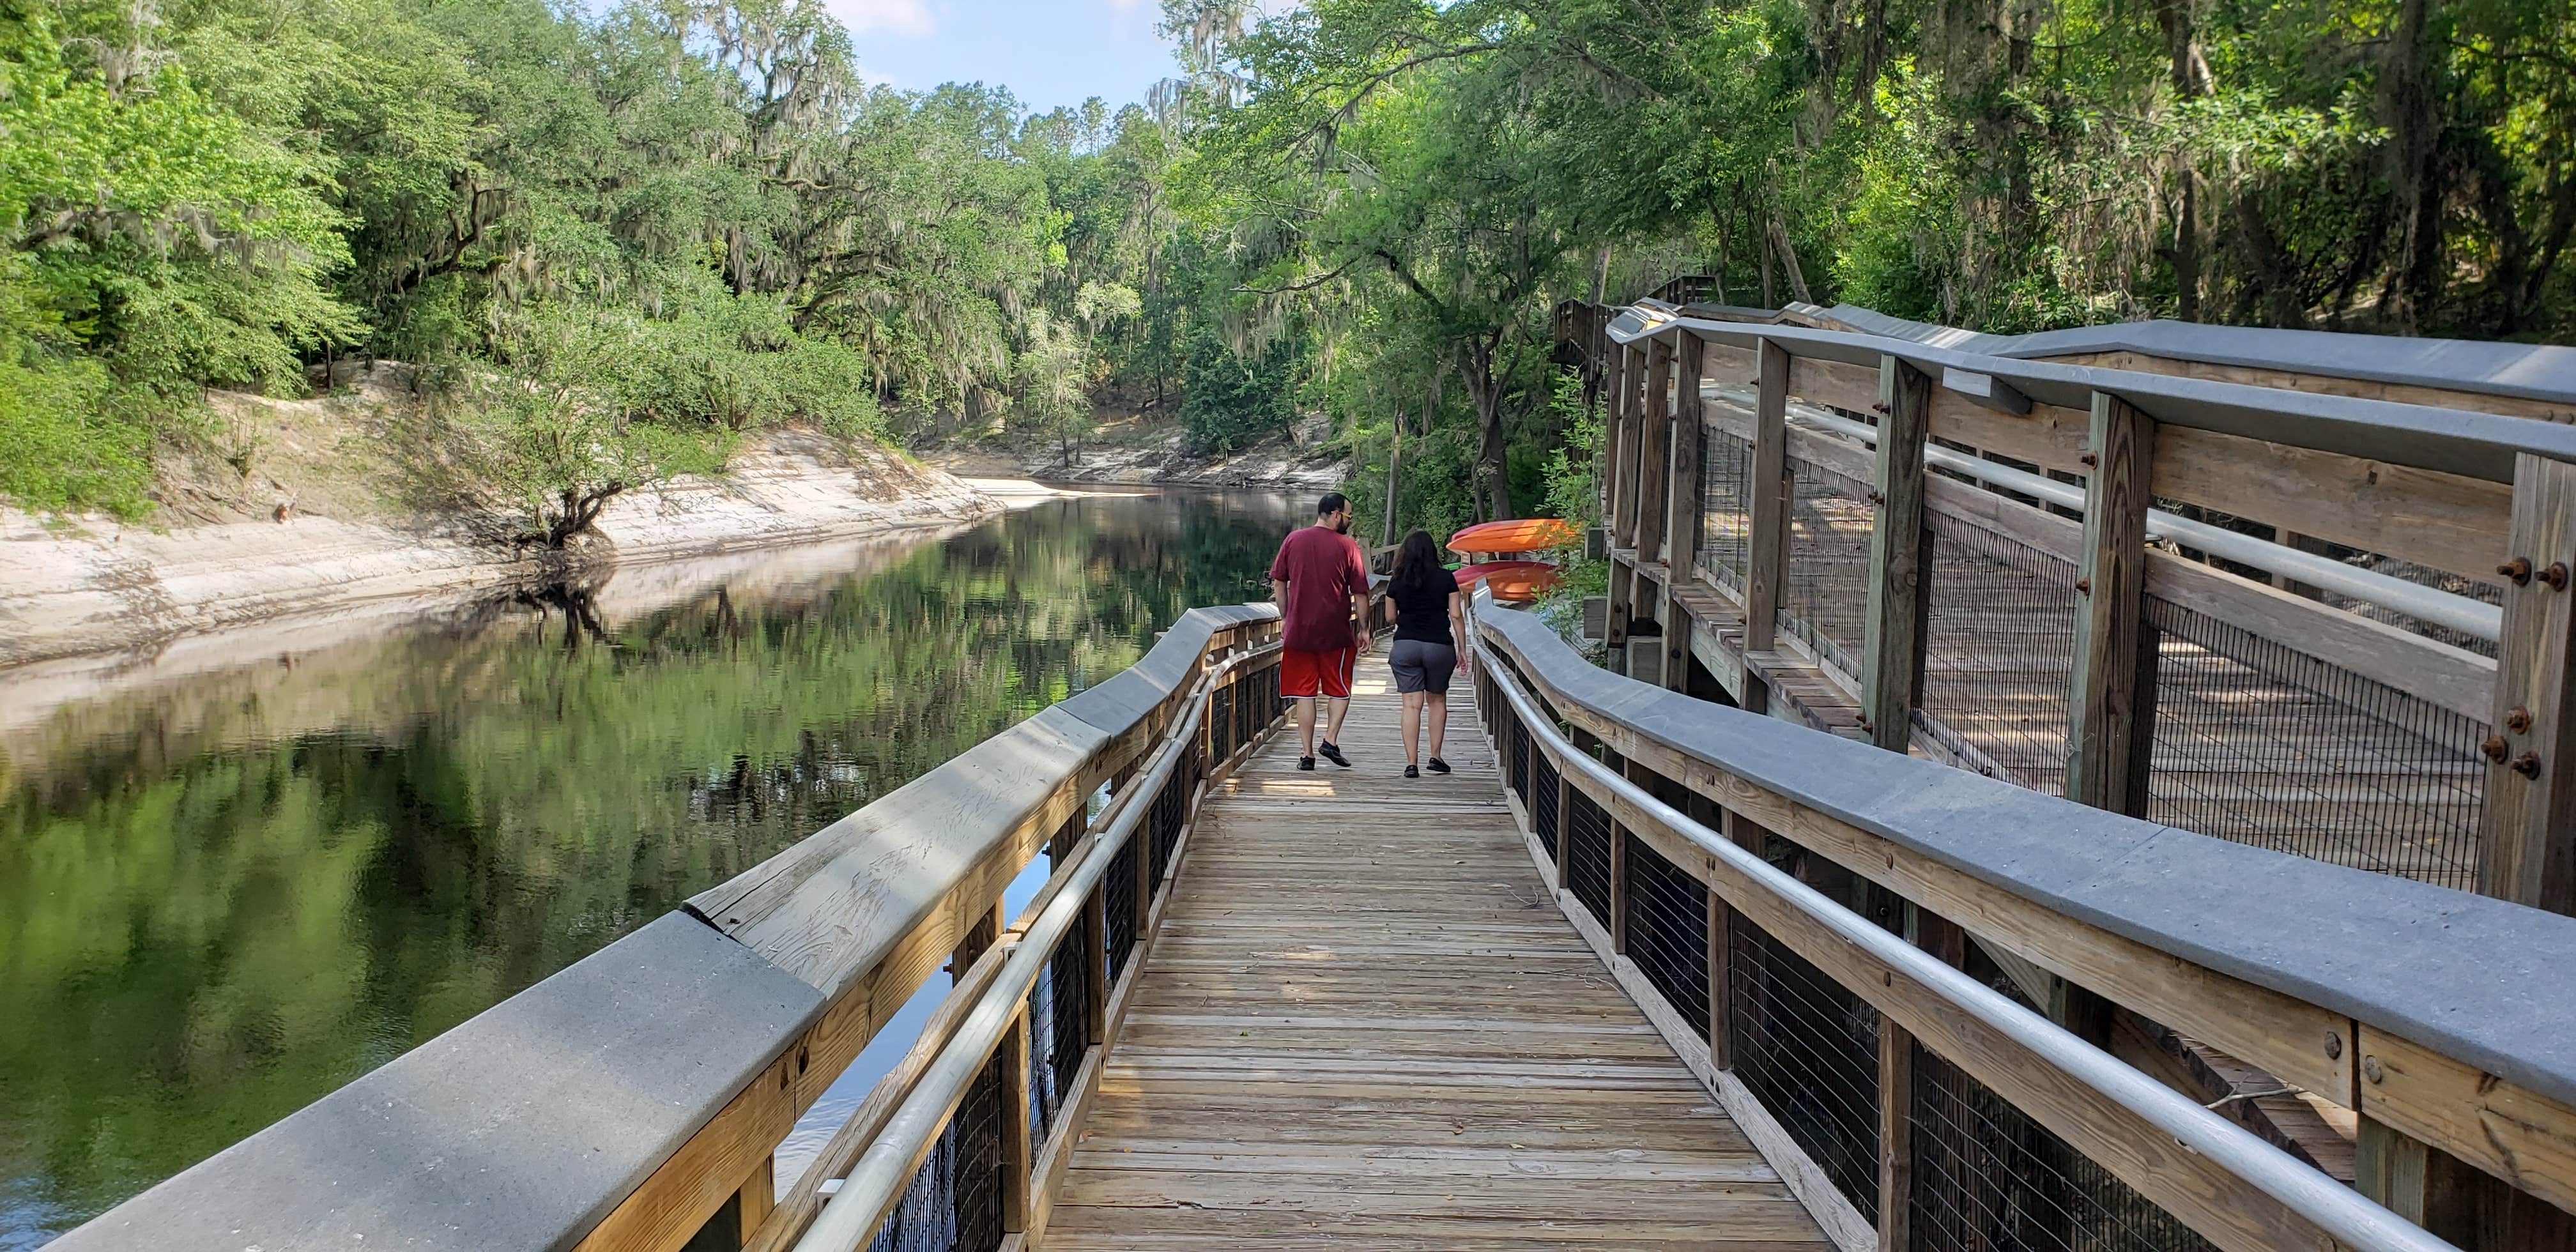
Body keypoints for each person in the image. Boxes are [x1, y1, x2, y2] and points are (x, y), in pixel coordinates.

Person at [1268, 492, 1371, 770]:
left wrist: (1286, 617)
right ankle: (1330, 740)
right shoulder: (1348, 546)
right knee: (1339, 689)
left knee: (1305, 693)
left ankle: (1306, 754)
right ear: (1336, 515)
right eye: (1348, 517)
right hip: (1334, 633)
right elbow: (1361, 593)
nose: (1349, 522)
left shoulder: (1293, 540)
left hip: (1298, 632)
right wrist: (1364, 628)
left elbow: (1279, 583)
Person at [1383, 529, 1469, 778]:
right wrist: (1462, 649)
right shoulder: (1446, 579)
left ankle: (1412, 764)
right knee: (1437, 701)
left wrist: (1408, 620)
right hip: (1439, 646)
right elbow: (1456, 615)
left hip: (1406, 645)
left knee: (1411, 705)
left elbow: (1390, 617)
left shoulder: (1396, 581)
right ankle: (1436, 757)